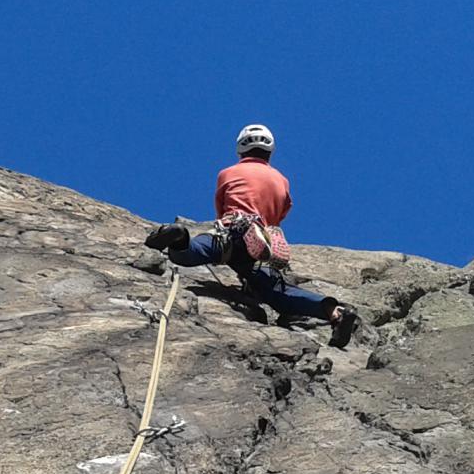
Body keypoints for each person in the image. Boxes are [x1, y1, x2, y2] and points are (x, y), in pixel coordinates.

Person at [146, 124, 359, 348]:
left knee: (187, 254)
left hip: (230, 232)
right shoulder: (282, 180)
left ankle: (178, 236)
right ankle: (334, 311)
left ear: (240, 149)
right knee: (280, 294)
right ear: (270, 151)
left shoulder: (227, 173)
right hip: (258, 247)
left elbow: (221, 209)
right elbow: (279, 215)